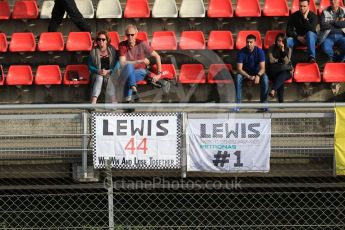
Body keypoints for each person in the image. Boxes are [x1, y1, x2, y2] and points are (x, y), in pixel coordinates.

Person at [118, 24, 162, 102]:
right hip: (126, 71)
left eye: (132, 34)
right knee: (128, 67)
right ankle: (134, 90)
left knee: (128, 77)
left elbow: (157, 56)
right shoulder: (122, 45)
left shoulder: (142, 43)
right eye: (128, 35)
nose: (130, 37)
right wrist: (139, 61)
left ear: (136, 33)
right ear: (125, 35)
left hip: (140, 72)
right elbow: (122, 63)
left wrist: (159, 74)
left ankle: (127, 101)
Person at [234, 34, 269, 112]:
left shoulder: (260, 51)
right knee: (238, 77)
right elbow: (239, 69)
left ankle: (263, 103)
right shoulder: (241, 52)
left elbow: (263, 68)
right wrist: (248, 76)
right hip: (245, 73)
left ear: (255, 43)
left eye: (251, 42)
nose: (249, 44)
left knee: (265, 78)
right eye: (247, 42)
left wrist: (258, 75)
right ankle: (238, 104)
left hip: (257, 72)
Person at [88, 30, 119, 104]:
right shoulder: (93, 51)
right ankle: (93, 102)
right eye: (99, 39)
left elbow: (117, 64)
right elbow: (90, 66)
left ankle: (113, 100)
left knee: (109, 78)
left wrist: (108, 71)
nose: (101, 41)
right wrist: (98, 71)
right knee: (99, 77)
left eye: (103, 39)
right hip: (97, 73)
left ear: (107, 40)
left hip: (110, 72)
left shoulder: (112, 50)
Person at [268, 33, 293, 103]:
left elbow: (287, 62)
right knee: (281, 76)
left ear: (284, 42)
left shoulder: (288, 49)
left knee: (282, 75)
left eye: (282, 41)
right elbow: (271, 60)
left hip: (284, 71)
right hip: (274, 70)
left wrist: (282, 51)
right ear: (276, 40)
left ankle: (273, 90)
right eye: (278, 40)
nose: (280, 42)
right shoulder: (271, 48)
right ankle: (281, 102)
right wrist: (279, 61)